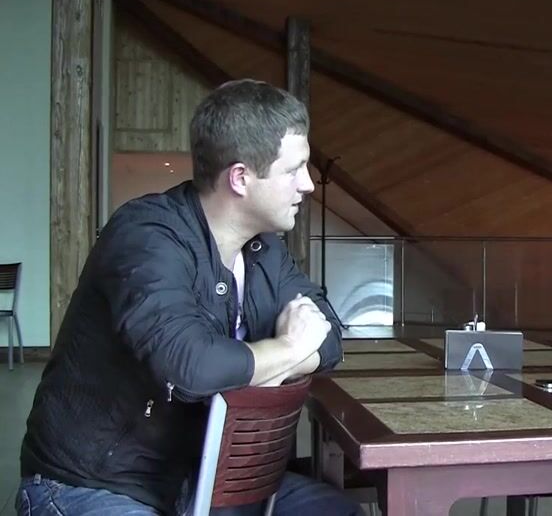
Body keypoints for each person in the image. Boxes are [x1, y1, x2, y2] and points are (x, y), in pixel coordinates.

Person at [18, 80, 363, 515]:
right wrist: (290, 349)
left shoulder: (264, 249)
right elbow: (190, 367)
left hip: (201, 479)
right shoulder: (147, 236)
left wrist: (276, 357)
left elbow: (330, 337)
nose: (308, 184)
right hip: (92, 485)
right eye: (294, 170)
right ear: (240, 178)